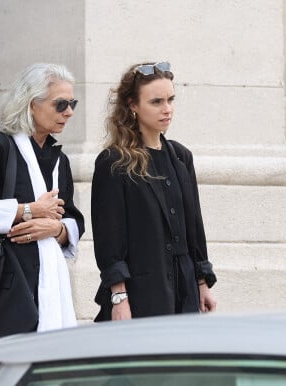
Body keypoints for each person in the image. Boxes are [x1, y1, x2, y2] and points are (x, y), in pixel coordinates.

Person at [0, 63, 85, 348]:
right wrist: (27, 210)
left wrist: (56, 229)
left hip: (50, 289)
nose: (69, 112)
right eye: (60, 104)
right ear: (31, 104)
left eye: (72, 103)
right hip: (7, 290)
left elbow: (73, 220)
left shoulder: (59, 160)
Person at [91, 61, 217, 321]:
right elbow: (109, 240)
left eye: (171, 99)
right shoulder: (114, 162)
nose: (167, 109)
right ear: (132, 105)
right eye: (156, 102)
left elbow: (194, 227)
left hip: (184, 291)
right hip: (142, 294)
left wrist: (202, 282)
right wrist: (119, 298)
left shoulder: (181, 158)